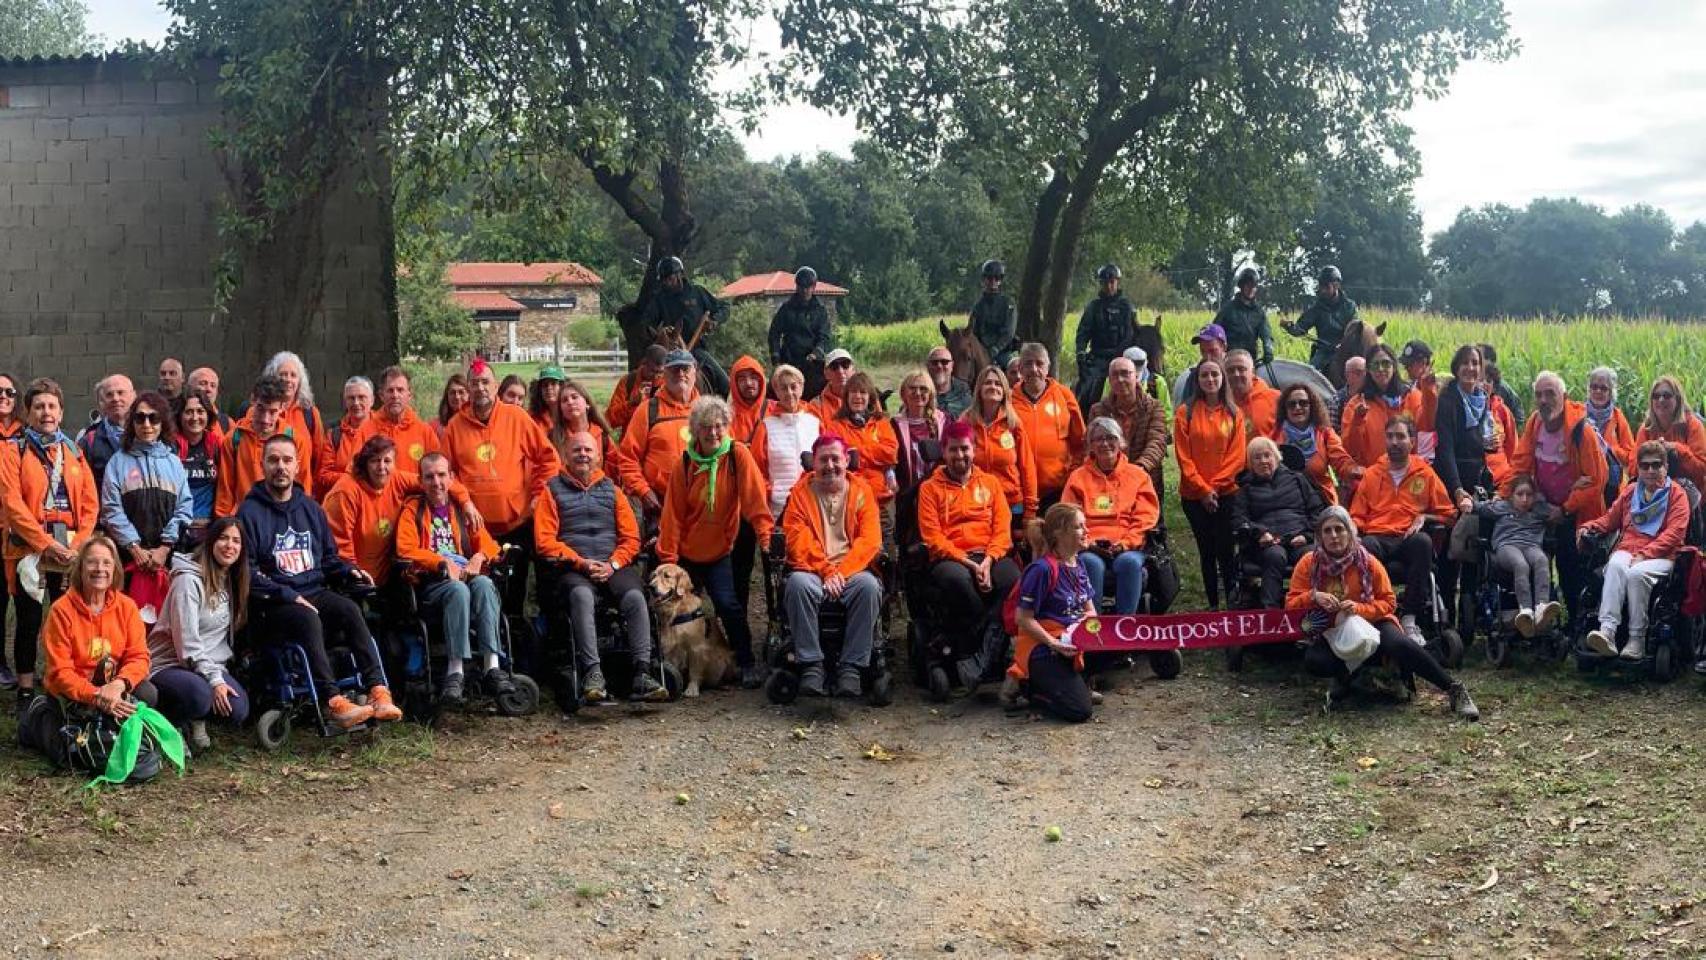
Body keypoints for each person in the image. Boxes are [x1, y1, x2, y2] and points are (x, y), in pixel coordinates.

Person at [237, 434, 398, 728]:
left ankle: (377, 690)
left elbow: (327, 558)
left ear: (297, 465)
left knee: (350, 609)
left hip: (313, 591)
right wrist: (287, 595)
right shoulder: (249, 513)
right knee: (308, 616)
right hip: (274, 604)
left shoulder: (311, 508)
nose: (280, 466)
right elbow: (246, 571)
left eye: (287, 460)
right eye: (273, 460)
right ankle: (332, 701)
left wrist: (348, 570)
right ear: (262, 465)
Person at [1287, 507, 1478, 719]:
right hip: (1331, 627)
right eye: (1327, 530)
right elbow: (1291, 605)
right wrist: (1313, 596)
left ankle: (1453, 689)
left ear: (1349, 532)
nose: (1334, 536)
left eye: (1339, 529)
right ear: (1319, 536)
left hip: (1374, 621)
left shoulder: (1367, 561)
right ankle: (1350, 676)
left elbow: (1388, 602)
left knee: (1399, 644)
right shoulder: (1308, 563)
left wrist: (1358, 609)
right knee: (1315, 661)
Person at [533, 432, 662, 704]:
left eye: (588, 450)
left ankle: (643, 672)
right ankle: (593, 673)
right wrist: (580, 562)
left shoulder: (613, 491)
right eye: (577, 450)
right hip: (573, 568)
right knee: (581, 596)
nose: (583, 454)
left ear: (598, 456)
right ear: (566, 456)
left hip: (612, 564)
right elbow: (544, 541)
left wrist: (613, 564)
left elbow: (631, 539)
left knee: (635, 596)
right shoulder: (551, 491)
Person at [18, 536, 166, 767]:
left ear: (115, 569)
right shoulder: (61, 611)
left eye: (106, 563)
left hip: (112, 686)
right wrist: (96, 695)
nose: (100, 569)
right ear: (80, 568)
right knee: (66, 756)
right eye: (92, 562)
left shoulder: (127, 607)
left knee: (148, 694)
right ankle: (37, 717)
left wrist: (118, 685)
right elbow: (60, 671)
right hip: (72, 693)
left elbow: (139, 657)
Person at [657, 398, 774, 687]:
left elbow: (755, 500)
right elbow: (672, 514)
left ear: (727, 426)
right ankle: (668, 664)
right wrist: (669, 558)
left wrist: (765, 537)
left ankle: (745, 662)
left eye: (719, 426)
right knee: (673, 607)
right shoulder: (685, 463)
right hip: (687, 552)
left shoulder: (737, 455)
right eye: (706, 427)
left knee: (727, 605)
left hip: (720, 550)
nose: (713, 432)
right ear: (696, 430)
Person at [1, 378, 100, 716]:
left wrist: (79, 543)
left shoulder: (74, 452)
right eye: (39, 406)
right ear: (28, 412)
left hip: (69, 548)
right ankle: (26, 688)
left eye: (52, 406)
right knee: (28, 619)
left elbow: (90, 504)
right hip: (29, 548)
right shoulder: (13, 451)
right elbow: (12, 504)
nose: (46, 412)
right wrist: (44, 544)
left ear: (61, 411)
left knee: (66, 618)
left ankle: (61, 681)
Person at [395, 452, 516, 704]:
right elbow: (405, 550)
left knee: (484, 583)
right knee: (458, 590)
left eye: (441, 475)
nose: (436, 482)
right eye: (429, 477)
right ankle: (455, 671)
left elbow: (490, 544)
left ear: (451, 478)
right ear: (421, 480)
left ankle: (492, 666)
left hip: (466, 576)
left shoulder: (461, 511)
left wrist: (480, 556)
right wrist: (440, 562)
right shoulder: (412, 511)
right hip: (433, 585)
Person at [443, 359, 559, 615]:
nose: (480, 388)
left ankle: (515, 632)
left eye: (486, 382)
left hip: (516, 523)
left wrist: (538, 496)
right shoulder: (454, 426)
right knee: (481, 589)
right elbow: (446, 473)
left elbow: (549, 459)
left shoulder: (516, 417)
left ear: (496, 386)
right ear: (468, 388)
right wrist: (465, 501)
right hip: (476, 527)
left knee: (514, 591)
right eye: (475, 383)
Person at [916, 421, 1020, 690]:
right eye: (953, 450)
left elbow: (1002, 529)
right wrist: (969, 564)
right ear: (943, 451)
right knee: (959, 581)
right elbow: (932, 537)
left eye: (965, 449)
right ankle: (980, 649)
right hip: (951, 558)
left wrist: (988, 560)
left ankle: (981, 657)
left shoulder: (991, 483)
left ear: (974, 450)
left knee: (1013, 579)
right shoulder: (929, 488)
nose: (959, 455)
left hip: (988, 554)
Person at [781, 436, 884, 698]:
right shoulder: (800, 495)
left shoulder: (862, 492)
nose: (830, 465)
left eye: (835, 459)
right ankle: (811, 664)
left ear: (846, 461)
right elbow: (797, 541)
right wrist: (826, 571)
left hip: (852, 571)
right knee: (797, 585)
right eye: (823, 460)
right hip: (813, 570)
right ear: (813, 463)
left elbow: (869, 541)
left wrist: (841, 572)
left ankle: (852, 667)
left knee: (869, 587)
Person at [1509, 371, 1609, 621]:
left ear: (1564, 397)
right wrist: (1511, 495)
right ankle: (1543, 620)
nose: (1544, 401)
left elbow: (1596, 480)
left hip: (1576, 513)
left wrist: (1565, 509)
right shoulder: (1535, 423)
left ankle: (1577, 623)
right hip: (1543, 507)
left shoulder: (1581, 431)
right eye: (1539, 395)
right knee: (1536, 563)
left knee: (1571, 570)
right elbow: (1521, 464)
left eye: (1550, 394)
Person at [1579, 441, 1691, 662]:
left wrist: (1645, 554)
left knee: (1636, 574)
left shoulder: (1677, 495)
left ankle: (1636, 640)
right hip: (1629, 549)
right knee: (1615, 565)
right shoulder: (1631, 491)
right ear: (1638, 468)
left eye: (1656, 465)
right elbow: (1609, 520)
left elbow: (1675, 534)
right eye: (1645, 465)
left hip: (1663, 555)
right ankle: (1607, 632)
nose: (1650, 470)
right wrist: (1588, 527)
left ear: (1666, 467)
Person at [1349, 416, 1456, 644]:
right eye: (1390, 437)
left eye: (1400, 436)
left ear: (1412, 442)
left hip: (1408, 538)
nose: (1395, 442)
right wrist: (1355, 532)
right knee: (1365, 547)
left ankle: (1409, 618)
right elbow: (1357, 515)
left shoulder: (1425, 473)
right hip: (1377, 536)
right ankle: (1373, 615)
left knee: (1423, 542)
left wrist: (1425, 517)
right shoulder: (1372, 474)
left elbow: (1449, 515)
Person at [147, 517, 249, 749]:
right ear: (210, 542)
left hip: (207, 666)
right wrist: (215, 681)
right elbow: (187, 646)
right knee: (201, 696)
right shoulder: (187, 582)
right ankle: (170, 722)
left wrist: (216, 675)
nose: (229, 546)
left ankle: (196, 717)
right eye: (223, 538)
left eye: (236, 541)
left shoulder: (231, 579)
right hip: (170, 664)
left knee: (238, 709)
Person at [99, 391, 193, 622]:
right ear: (132, 422)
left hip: (167, 558)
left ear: (163, 422)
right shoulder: (118, 462)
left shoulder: (174, 463)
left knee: (167, 621)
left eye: (154, 418)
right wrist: (135, 547)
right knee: (126, 620)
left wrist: (164, 548)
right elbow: (111, 509)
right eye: (140, 418)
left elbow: (184, 508)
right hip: (128, 558)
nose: (147, 424)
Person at [1008, 502, 1098, 723]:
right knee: (1080, 711)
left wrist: (1096, 630)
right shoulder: (1042, 570)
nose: (1086, 531)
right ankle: (1029, 688)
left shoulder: (1078, 563)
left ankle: (1076, 680)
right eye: (1079, 526)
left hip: (1072, 641)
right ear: (1059, 533)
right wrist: (1054, 643)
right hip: (1044, 647)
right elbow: (1022, 618)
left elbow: (1091, 611)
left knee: (1119, 647)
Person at [1061, 418, 1158, 614]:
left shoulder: (1138, 476)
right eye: (1098, 439)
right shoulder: (1077, 478)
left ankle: (1125, 624)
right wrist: (1087, 543)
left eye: (1111, 438)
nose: (1105, 443)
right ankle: (1092, 624)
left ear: (1121, 442)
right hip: (1089, 547)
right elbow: (1068, 517)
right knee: (1090, 563)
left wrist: (1125, 544)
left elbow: (1145, 518)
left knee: (1129, 562)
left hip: (1128, 546)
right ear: (1091, 445)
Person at [1175, 358, 1246, 609]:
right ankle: (1213, 605)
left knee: (1226, 549)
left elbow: (1237, 456)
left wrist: (1214, 487)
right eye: (1204, 375)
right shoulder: (1185, 412)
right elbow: (1183, 457)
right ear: (1198, 380)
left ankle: (1232, 602)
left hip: (1227, 493)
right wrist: (1203, 489)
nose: (1210, 379)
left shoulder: (1235, 413)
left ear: (1223, 378)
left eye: (1215, 374)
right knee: (1206, 550)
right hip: (1194, 495)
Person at [1232, 436, 1325, 608]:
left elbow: (1318, 511)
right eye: (1257, 458)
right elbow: (1239, 520)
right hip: (1268, 543)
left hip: (1299, 538)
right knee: (1275, 556)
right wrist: (1259, 533)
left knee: (1311, 556)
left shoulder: (1298, 479)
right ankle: (1271, 611)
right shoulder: (1245, 489)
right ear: (1251, 463)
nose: (1263, 461)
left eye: (1267, 455)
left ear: (1276, 457)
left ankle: (1315, 606)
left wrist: (1307, 535)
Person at [1465, 475, 1560, 638]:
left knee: (1542, 560)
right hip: (1507, 546)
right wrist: (1468, 503)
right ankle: (1525, 610)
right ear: (1511, 495)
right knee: (1520, 564)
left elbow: (1562, 513)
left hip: (1531, 545)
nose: (1524, 499)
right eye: (1520, 494)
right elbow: (1480, 508)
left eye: (1529, 495)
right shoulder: (1503, 507)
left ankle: (1541, 607)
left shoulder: (1540, 509)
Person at [617, 349, 700, 524]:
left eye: (685, 369)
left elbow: (724, 455)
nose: (680, 374)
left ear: (695, 372)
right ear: (664, 374)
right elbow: (627, 458)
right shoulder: (648, 410)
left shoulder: (707, 410)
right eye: (674, 369)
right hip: (659, 505)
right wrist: (644, 492)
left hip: (701, 504)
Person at [820, 371, 900, 551]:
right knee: (856, 547)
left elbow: (891, 454)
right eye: (853, 392)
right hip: (851, 498)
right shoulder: (835, 426)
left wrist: (857, 451)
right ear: (846, 397)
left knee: (886, 548)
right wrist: (874, 453)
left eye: (863, 392)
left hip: (882, 497)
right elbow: (837, 460)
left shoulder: (881, 422)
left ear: (870, 397)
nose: (858, 396)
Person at [215, 375, 313, 517]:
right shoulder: (234, 439)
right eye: (260, 409)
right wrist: (223, 522)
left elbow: (304, 487)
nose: (265, 419)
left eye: (273, 412)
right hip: (246, 518)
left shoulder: (296, 440)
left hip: (283, 517)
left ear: (282, 407)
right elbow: (225, 490)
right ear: (252, 400)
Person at [1011, 342, 1086, 510]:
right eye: (1028, 364)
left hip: (1058, 490)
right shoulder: (1009, 401)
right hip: (1019, 491)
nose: (1034, 369)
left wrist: (1071, 473)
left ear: (1048, 367)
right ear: (1020, 368)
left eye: (1039, 363)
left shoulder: (1064, 395)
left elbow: (1081, 442)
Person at [641, 256, 731, 396]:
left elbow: (724, 307)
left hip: (697, 350)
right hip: (671, 352)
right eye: (664, 280)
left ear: (680, 274)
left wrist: (714, 321)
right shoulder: (659, 299)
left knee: (725, 384)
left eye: (670, 278)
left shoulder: (698, 292)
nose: (667, 283)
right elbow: (647, 323)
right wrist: (660, 333)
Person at [964, 365, 1039, 525]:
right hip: (975, 502)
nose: (993, 387)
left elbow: (1027, 467)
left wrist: (1030, 509)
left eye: (998, 384)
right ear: (979, 389)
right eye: (988, 383)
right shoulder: (966, 422)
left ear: (1004, 390)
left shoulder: (1013, 423)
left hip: (1012, 503)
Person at [1433, 345, 1507, 504]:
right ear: (1456, 368)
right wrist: (1457, 488)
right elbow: (1446, 449)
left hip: (1477, 478)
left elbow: (1480, 443)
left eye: (1475, 363)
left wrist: (1490, 444)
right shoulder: (1447, 400)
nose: (1470, 368)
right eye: (1465, 363)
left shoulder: (1482, 398)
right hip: (1452, 479)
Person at [1088, 356, 1168, 500]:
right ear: (1109, 380)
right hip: (1107, 483)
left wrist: (1137, 470)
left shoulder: (1154, 407)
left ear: (1136, 376)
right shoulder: (1098, 410)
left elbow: (1157, 442)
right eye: (1115, 375)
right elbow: (1091, 445)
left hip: (1146, 480)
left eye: (1125, 373)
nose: (1120, 379)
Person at [750, 364, 823, 519]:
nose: (789, 393)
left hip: (814, 505)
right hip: (778, 509)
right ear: (776, 392)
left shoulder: (815, 423)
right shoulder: (765, 427)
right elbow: (755, 470)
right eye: (783, 388)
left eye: (793, 387)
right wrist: (771, 493)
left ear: (801, 388)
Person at [1272, 382, 1359, 506]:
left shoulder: (1325, 433)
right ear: (1285, 409)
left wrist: (1352, 470)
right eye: (1291, 404)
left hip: (1322, 498)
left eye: (1303, 403)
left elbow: (1340, 459)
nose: (1297, 407)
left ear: (1312, 406)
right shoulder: (1275, 435)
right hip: (1288, 500)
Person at [1341, 344, 1423, 468]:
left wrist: (1430, 395)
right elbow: (1349, 449)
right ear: (1368, 370)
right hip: (1372, 475)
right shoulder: (1356, 404)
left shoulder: (1412, 397)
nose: (1380, 369)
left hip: (1409, 473)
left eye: (1386, 363)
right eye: (1375, 365)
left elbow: (1425, 432)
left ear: (1394, 367)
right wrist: (1357, 420)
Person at [1072, 264, 1138, 412]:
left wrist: (1121, 355)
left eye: (1112, 282)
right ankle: (1083, 417)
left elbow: (1131, 334)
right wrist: (1080, 352)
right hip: (1098, 358)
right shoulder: (1093, 307)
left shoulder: (1127, 307)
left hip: (1122, 357)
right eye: (1104, 283)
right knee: (1087, 388)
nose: (1108, 286)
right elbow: (1083, 332)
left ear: (1117, 282)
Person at [259, 351, 327, 486]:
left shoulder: (310, 414)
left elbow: (319, 457)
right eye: (283, 374)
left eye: (293, 375)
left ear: (300, 381)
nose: (288, 380)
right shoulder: (260, 411)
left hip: (300, 488)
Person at [768, 267, 833, 400]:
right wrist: (776, 359)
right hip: (789, 360)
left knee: (825, 392)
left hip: (812, 363)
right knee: (772, 393)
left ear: (814, 287)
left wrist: (816, 353)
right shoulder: (786, 308)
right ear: (797, 286)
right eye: (801, 287)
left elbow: (824, 337)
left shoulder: (820, 310)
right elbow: (774, 333)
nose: (804, 290)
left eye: (807, 287)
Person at [1632, 375, 1706, 490]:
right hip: (1654, 491)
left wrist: (1676, 449)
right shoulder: (1646, 428)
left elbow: (1702, 469)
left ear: (1678, 399)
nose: (1661, 400)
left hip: (1690, 492)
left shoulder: (1693, 425)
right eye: (1656, 396)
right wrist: (1653, 452)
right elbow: (1633, 469)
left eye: (1667, 396)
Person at [1285, 265, 1359, 372]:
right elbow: (1301, 327)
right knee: (1310, 372)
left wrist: (1343, 345)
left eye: (1326, 286)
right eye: (1321, 286)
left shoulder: (1350, 306)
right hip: (1324, 352)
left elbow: (1354, 330)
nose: (1323, 290)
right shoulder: (1316, 308)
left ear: (1336, 285)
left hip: (1347, 350)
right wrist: (1291, 328)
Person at [369, 366, 441, 472]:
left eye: (400, 390)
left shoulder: (425, 432)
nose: (395, 395)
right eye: (390, 390)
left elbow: (438, 470)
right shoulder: (367, 430)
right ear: (381, 395)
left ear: (409, 395)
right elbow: (355, 471)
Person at [173, 390, 220, 547]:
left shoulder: (216, 444)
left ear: (208, 414)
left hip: (208, 526)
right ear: (179, 415)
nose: (195, 417)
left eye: (200, 411)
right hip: (177, 526)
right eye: (188, 412)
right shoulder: (170, 446)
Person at [315, 375, 375, 494]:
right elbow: (323, 475)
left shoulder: (384, 430)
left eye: (361, 397)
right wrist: (354, 479)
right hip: (344, 497)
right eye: (351, 398)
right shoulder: (334, 435)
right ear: (345, 401)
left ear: (372, 400)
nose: (356, 403)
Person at [891, 370, 946, 496]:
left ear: (930, 394)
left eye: (923, 389)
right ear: (903, 393)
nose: (918, 393)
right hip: (906, 495)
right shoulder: (894, 425)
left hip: (940, 493)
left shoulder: (944, 421)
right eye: (912, 388)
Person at [77, 373, 135, 484]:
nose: (115, 398)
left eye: (120, 393)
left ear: (133, 396)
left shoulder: (149, 434)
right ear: (102, 402)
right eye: (109, 395)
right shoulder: (88, 441)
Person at [0, 373, 20, 688]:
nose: (3, 396)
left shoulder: (25, 435)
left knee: (23, 599)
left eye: (9, 391)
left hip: (18, 530)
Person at [546, 378, 615, 465]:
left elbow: (614, 467)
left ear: (587, 403)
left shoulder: (603, 437)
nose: (570, 402)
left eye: (574, 397)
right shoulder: (553, 438)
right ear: (561, 410)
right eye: (564, 400)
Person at [1214, 266, 1275, 365]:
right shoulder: (1228, 309)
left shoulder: (1259, 312)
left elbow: (1266, 335)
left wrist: (1268, 350)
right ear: (1241, 286)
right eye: (1248, 285)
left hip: (1250, 359)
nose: (1251, 289)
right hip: (1229, 359)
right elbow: (1215, 332)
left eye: (1254, 286)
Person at [967, 259, 1019, 372]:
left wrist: (996, 348)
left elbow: (1009, 332)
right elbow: (973, 331)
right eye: (989, 278)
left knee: (1014, 369)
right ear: (984, 279)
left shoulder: (1008, 303)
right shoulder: (978, 306)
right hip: (981, 350)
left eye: (997, 278)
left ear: (1000, 280)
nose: (993, 281)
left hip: (1003, 351)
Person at [1584, 366, 1636, 478]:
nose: (1598, 391)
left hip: (1613, 480)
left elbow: (1631, 456)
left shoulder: (1618, 417)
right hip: (1585, 477)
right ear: (1589, 389)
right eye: (1594, 387)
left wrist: (1608, 448)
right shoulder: (1579, 415)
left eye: (1603, 388)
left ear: (1611, 392)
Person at [606, 345, 667, 439]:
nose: (656, 376)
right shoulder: (628, 382)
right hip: (631, 442)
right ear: (644, 363)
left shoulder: (667, 384)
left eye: (660, 372)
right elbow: (610, 420)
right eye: (652, 371)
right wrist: (632, 403)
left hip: (658, 441)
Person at [1398, 340, 1441, 460]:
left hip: (1433, 455)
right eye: (1406, 365)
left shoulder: (1439, 390)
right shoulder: (1407, 391)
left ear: (1424, 363)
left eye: (1410, 364)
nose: (1406, 368)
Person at [1225, 350, 1280, 438]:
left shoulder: (1275, 398)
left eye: (1241, 369)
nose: (1236, 374)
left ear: (1253, 371)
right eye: (1230, 370)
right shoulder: (1218, 402)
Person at [728, 355, 773, 449]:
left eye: (753, 377)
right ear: (734, 384)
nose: (748, 383)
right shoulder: (726, 416)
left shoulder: (776, 409)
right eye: (742, 379)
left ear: (761, 380)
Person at [1479, 343, 1524, 425]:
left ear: (1489, 361)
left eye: (1479, 357)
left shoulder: (1501, 387)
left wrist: (1507, 426)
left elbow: (1518, 412)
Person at [927, 346, 972, 421]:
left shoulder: (964, 394)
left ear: (952, 366)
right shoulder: (920, 392)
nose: (939, 366)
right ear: (928, 366)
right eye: (934, 363)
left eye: (944, 362)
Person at [810, 348, 855, 422]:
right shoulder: (816, 405)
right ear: (826, 373)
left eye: (845, 365)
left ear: (853, 370)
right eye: (834, 367)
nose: (840, 371)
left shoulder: (865, 400)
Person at [187, 366, 229, 434]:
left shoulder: (227, 423)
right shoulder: (175, 420)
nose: (209, 389)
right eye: (203, 383)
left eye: (213, 385)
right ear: (190, 387)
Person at [1330, 356, 1366, 432]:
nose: (1365, 376)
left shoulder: (1372, 397)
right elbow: (1332, 432)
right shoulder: (1337, 399)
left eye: (1366, 372)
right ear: (1347, 375)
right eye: (1359, 373)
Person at [527, 365, 565, 432]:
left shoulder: (569, 414)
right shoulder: (531, 417)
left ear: (561, 387)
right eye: (545, 385)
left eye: (553, 384)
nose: (549, 388)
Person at [436, 373, 469, 440]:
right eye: (453, 392)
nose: (457, 397)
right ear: (447, 396)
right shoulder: (436, 427)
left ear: (469, 395)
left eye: (461, 392)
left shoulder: (477, 423)